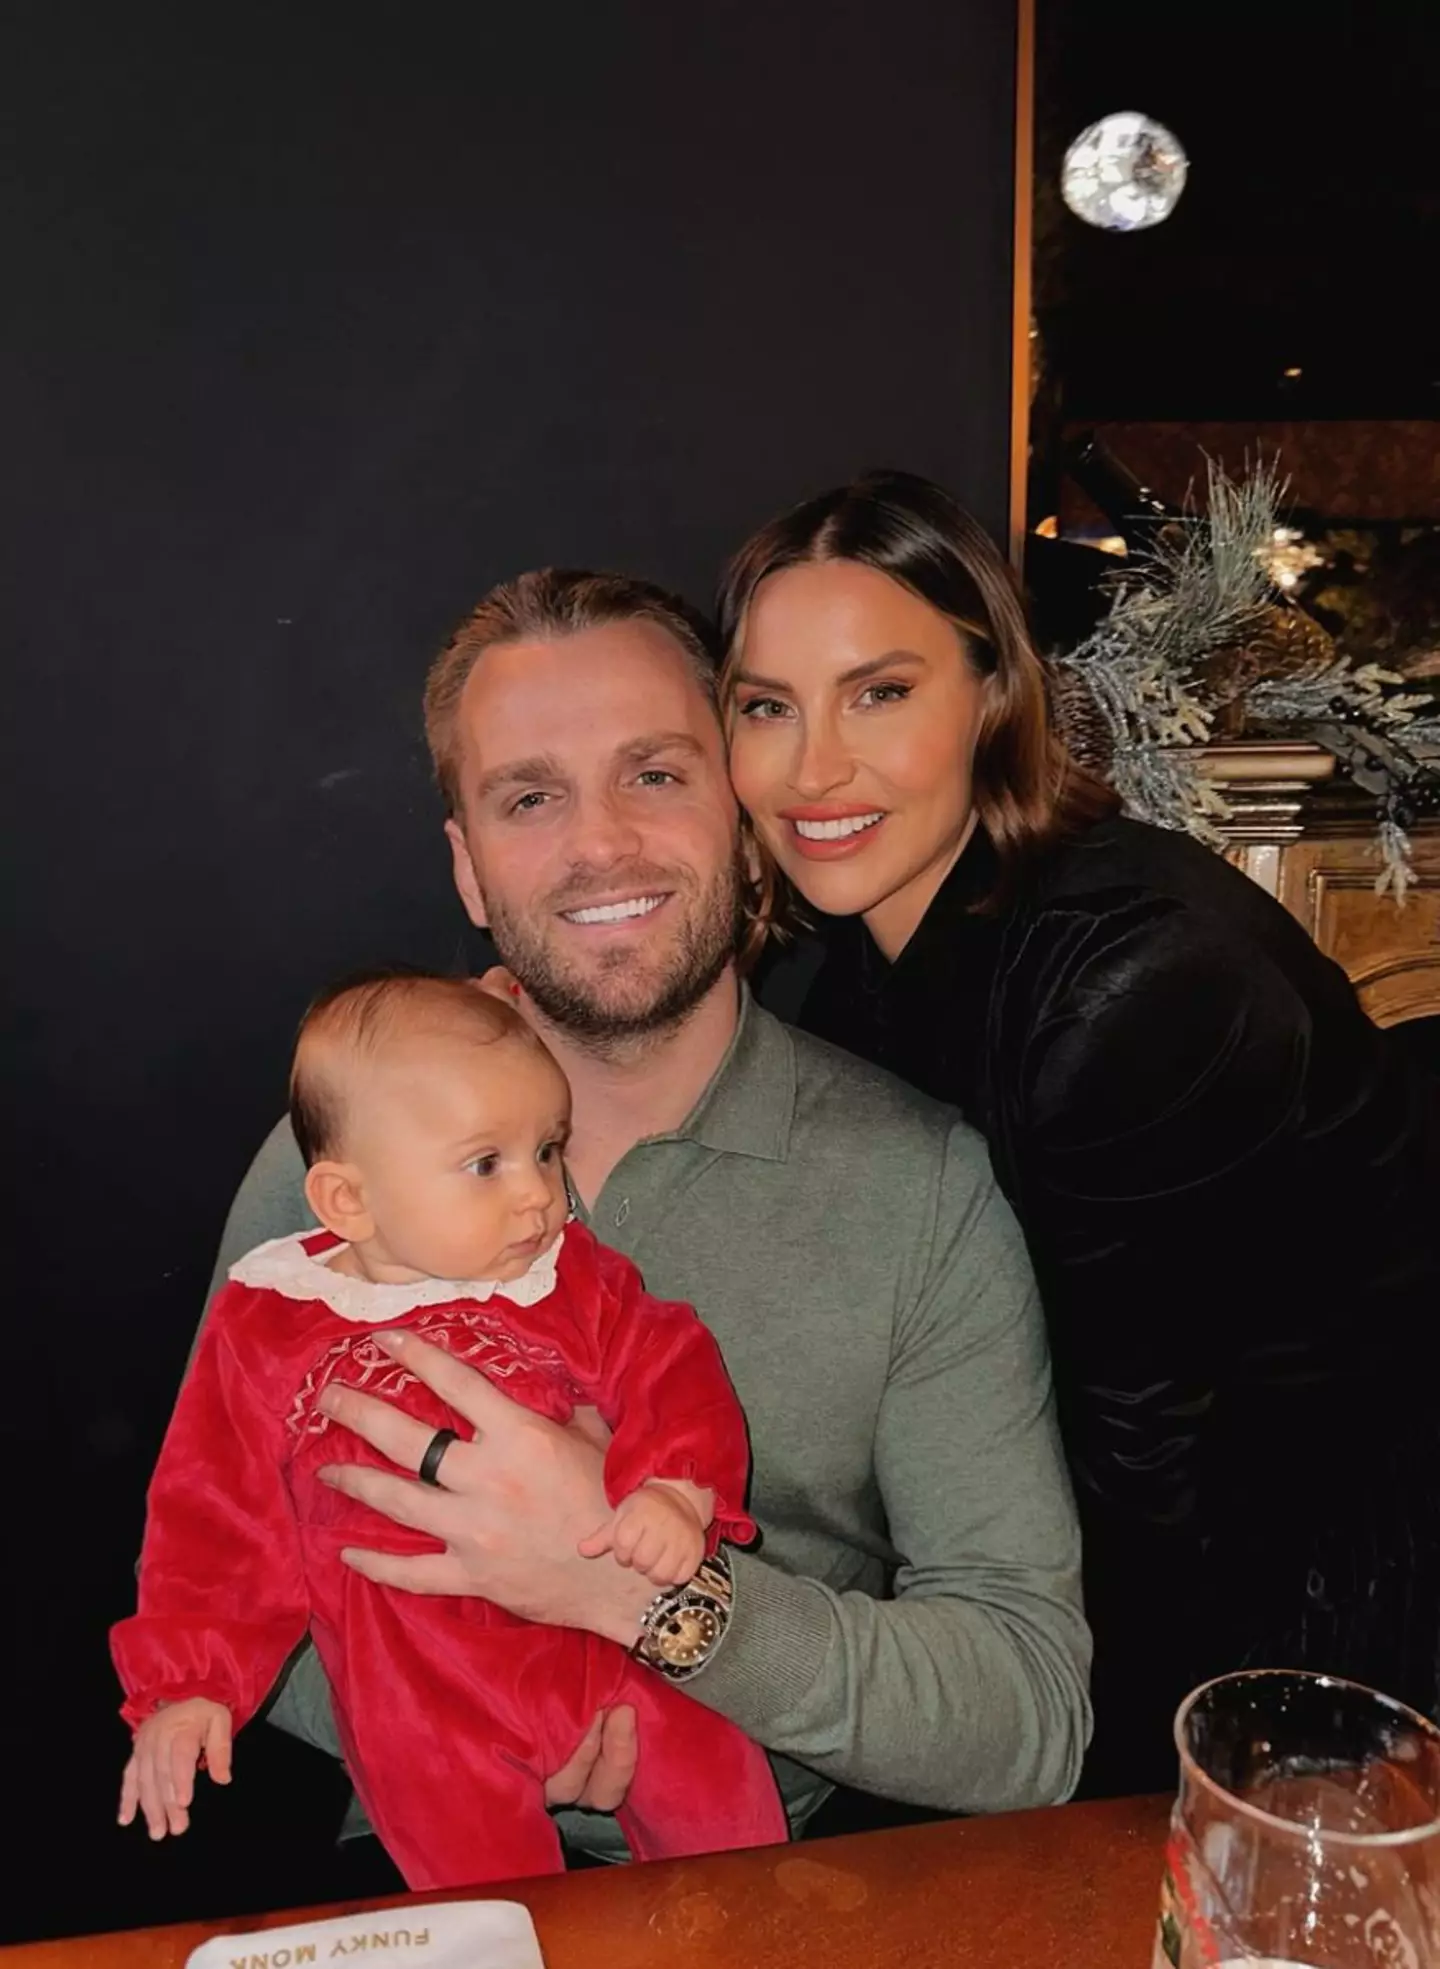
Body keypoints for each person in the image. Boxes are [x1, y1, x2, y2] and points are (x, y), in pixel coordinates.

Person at [195, 567, 1090, 1869]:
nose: (600, 843)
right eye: (530, 797)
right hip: (426, 1870)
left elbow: (1028, 1711)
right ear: (468, 864)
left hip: (774, 1886)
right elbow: (222, 1582)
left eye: (655, 773)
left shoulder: (917, 1186)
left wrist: (667, 1613)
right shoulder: (330, 1166)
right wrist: (489, 1709)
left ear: (739, 810)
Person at [720, 468, 1440, 1796]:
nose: (812, 766)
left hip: (1332, 1573)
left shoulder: (1135, 980)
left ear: (994, 698)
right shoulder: (866, 961)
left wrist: (1078, 1798)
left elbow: (1153, 1464)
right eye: (767, 707)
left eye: (880, 692)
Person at [114, 974, 787, 1886]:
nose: (539, 1198)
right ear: (347, 1201)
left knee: (725, 1813)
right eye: (487, 1164)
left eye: (547, 1151)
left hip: (612, 1634)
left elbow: (669, 1361)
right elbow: (214, 1511)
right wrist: (192, 1683)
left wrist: (674, 1483)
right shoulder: (269, 1321)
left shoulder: (563, 1276)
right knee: (485, 1904)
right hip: (424, 1700)